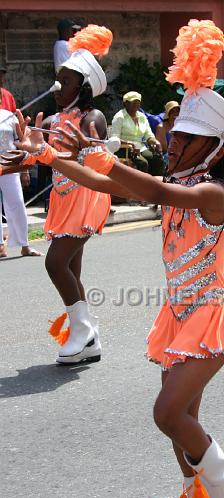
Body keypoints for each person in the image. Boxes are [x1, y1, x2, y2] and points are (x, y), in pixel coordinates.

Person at [11, 19, 224, 498]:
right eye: (175, 135)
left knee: (166, 413)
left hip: (212, 314)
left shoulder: (211, 194)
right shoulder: (179, 183)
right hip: (177, 315)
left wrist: (102, 157)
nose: (172, 142)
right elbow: (106, 182)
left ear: (212, 151)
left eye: (185, 140)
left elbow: (144, 185)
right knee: (181, 419)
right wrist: (51, 156)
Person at [1, 25, 113, 365]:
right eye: (58, 79)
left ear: (84, 86)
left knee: (55, 262)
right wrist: (14, 159)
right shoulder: (50, 118)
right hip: (63, 200)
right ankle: (87, 334)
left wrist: (78, 145)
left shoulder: (92, 118)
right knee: (71, 270)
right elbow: (39, 154)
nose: (57, 86)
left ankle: (81, 331)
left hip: (87, 197)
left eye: (65, 82)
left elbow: (98, 162)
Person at [0, 108, 42, 258]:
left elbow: (20, 143)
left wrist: (24, 171)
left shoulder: (9, 117)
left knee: (17, 203)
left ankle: (25, 245)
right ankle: (0, 247)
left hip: (10, 166)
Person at [111, 92, 164, 175]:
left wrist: (156, 142)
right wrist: (130, 144)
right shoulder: (119, 117)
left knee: (157, 160)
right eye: (133, 101)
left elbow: (148, 135)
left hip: (140, 147)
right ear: (126, 103)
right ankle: (141, 186)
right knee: (143, 163)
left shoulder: (142, 117)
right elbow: (114, 138)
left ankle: (155, 184)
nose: (136, 103)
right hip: (124, 148)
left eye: (138, 101)